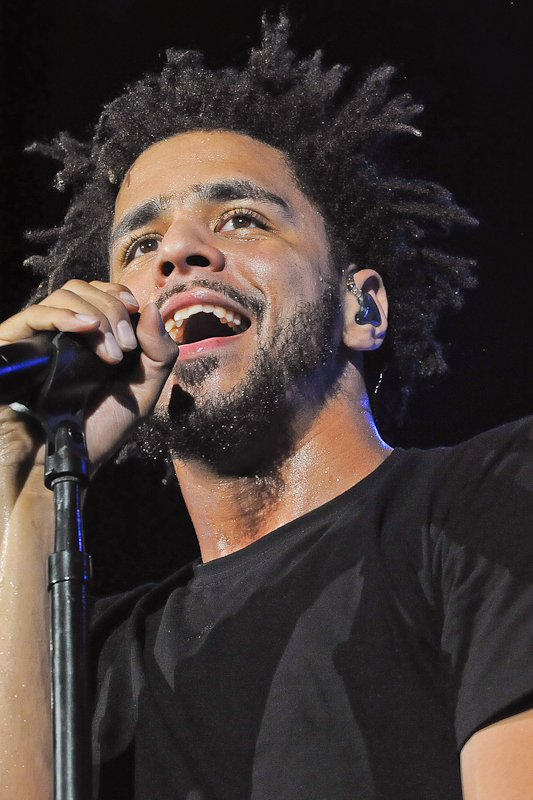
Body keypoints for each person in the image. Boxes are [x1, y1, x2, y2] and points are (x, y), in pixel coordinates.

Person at [1, 15, 533, 800]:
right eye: (139, 248)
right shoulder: (90, 654)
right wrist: (30, 480)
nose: (178, 253)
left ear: (363, 308)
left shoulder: (491, 498)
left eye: (240, 219)